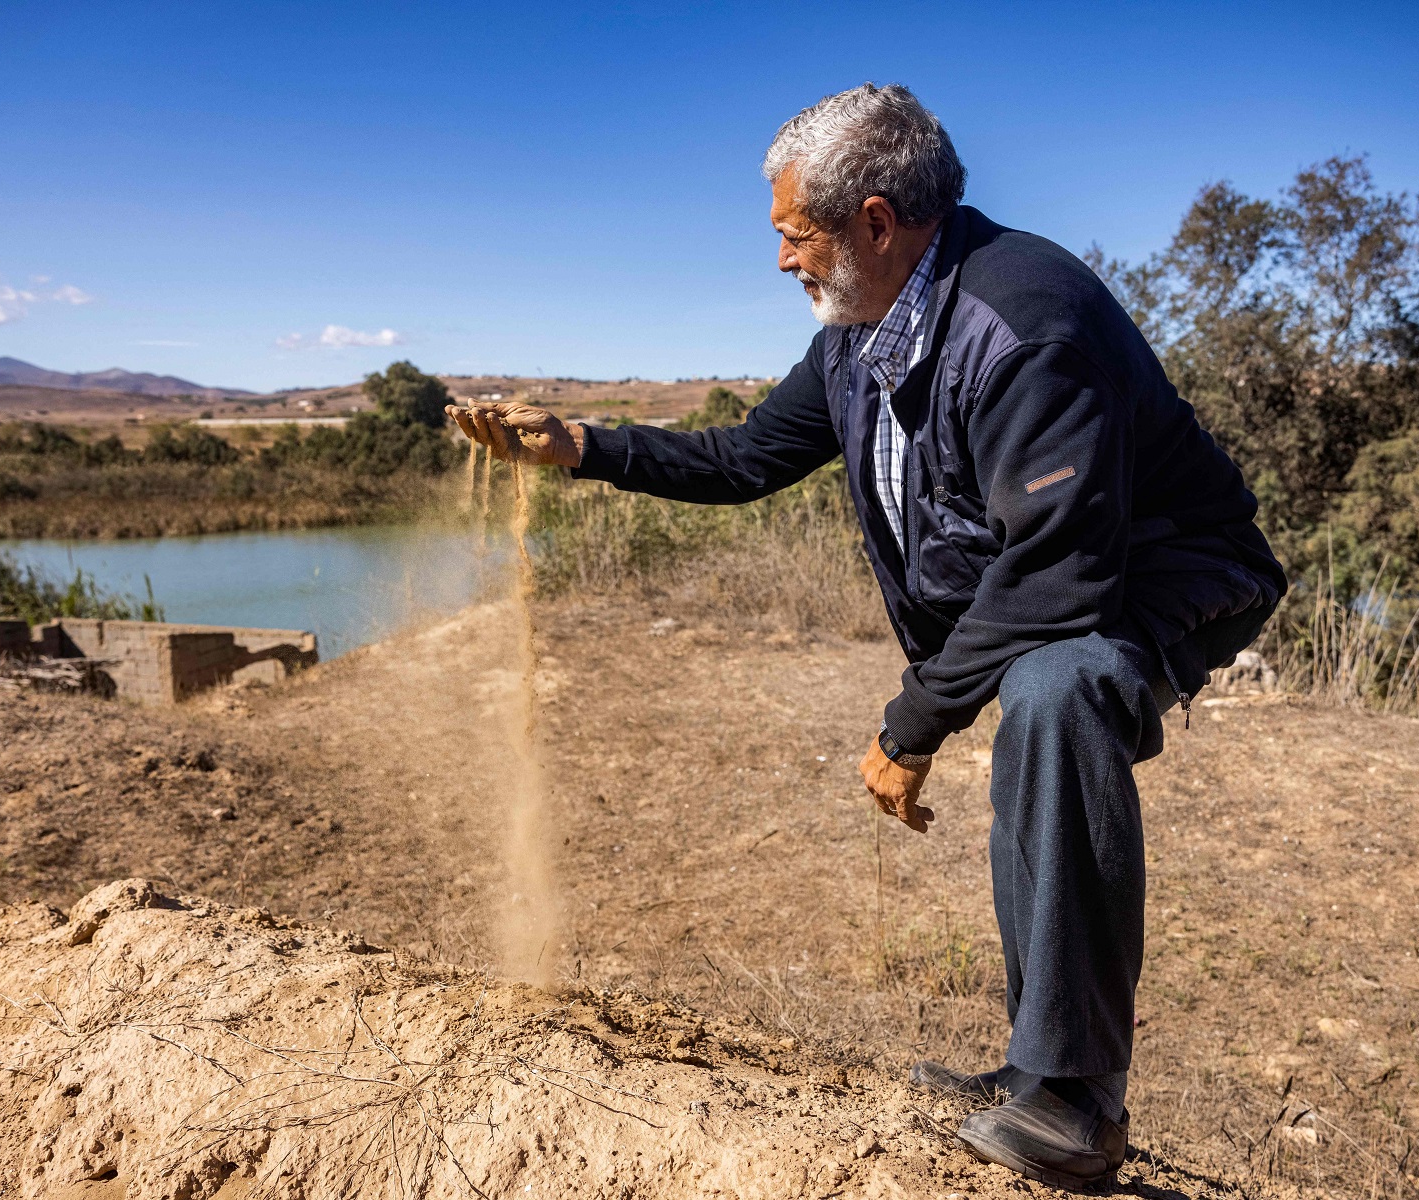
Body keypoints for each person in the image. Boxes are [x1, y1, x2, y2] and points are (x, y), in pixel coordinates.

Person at [448, 82, 1284, 1191]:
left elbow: (1061, 570)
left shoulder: (1029, 324)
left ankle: (1077, 1103)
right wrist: (581, 445)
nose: (784, 258)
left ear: (875, 223)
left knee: (1061, 691)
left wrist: (915, 721)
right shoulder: (860, 331)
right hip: (1053, 571)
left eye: (795, 232)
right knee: (1040, 708)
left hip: (1167, 566)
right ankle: (1035, 1067)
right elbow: (745, 457)